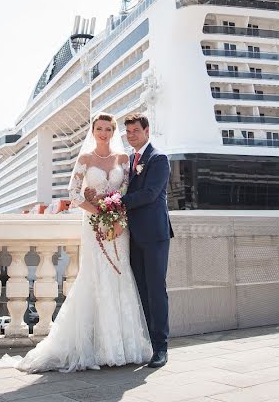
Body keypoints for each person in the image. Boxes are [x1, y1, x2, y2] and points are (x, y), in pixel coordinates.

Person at [7, 112, 153, 373]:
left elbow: (126, 193)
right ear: (93, 131)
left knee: (120, 276)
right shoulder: (84, 159)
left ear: (113, 131)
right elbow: (73, 194)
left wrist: (117, 217)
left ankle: (122, 346)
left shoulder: (123, 159)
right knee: (95, 276)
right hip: (94, 224)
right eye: (100, 128)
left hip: (119, 228)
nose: (104, 133)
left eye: (109, 129)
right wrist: (101, 214)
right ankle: (97, 346)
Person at [112, 113, 174, 368]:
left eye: (135, 130)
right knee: (142, 291)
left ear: (147, 131)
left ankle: (161, 348)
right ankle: (148, 343)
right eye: (128, 132)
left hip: (155, 235)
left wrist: (116, 202)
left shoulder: (158, 158)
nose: (131, 135)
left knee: (156, 291)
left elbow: (150, 194)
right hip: (133, 236)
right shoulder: (128, 161)